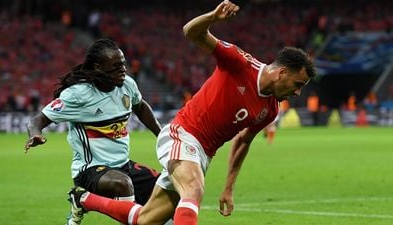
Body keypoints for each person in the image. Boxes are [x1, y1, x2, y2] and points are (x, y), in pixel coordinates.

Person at [67, 1, 316, 225]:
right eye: (298, 84)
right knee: (194, 190)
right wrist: (213, 18)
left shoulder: (270, 109)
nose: (297, 93)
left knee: (147, 219)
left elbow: (243, 142)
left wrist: (228, 188)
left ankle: (85, 200)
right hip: (182, 134)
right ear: (282, 72)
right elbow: (191, 32)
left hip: (202, 155)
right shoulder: (240, 63)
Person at [24, 38, 163, 225]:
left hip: (123, 165)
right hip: (90, 171)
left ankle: (82, 201)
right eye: (115, 66)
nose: (123, 69)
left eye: (123, 64)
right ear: (98, 67)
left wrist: (161, 135)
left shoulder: (127, 85)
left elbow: (140, 107)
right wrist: (35, 134)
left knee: (165, 186)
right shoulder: (78, 94)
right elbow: (38, 119)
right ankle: (82, 199)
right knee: (122, 184)